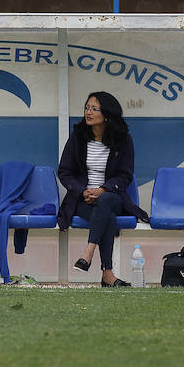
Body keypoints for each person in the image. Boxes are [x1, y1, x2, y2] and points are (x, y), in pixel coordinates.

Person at [57, 91, 146, 287]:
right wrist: (83, 191)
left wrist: (103, 190)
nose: (88, 112)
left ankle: (88, 252)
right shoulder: (77, 137)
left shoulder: (123, 140)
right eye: (86, 108)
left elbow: (125, 175)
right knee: (108, 218)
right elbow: (64, 172)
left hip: (112, 196)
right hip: (83, 198)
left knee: (105, 202)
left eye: (94, 109)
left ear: (106, 114)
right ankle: (107, 274)